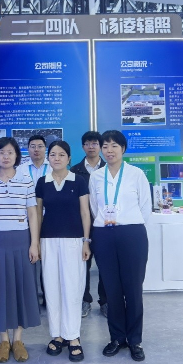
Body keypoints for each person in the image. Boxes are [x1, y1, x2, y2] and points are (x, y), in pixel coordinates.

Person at [0, 137, 41, 363]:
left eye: (10, 152)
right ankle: (4, 341)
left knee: (20, 288)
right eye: (1, 152)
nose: (6, 156)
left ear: (16, 156)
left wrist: (34, 243)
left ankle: (18, 340)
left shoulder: (26, 181)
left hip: (21, 241)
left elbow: (32, 214)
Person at [89, 130, 151, 362]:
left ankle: (135, 340)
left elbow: (145, 206)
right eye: (105, 146)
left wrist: (129, 224)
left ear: (123, 149)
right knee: (111, 289)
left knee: (133, 289)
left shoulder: (136, 174)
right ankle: (116, 338)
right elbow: (94, 207)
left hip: (132, 233)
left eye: (114, 146)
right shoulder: (96, 176)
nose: (109, 150)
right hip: (104, 234)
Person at [36, 140, 91, 362]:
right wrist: (35, 242)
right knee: (52, 288)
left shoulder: (79, 181)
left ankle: (73, 336)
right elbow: (37, 214)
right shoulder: (42, 182)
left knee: (73, 287)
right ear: (48, 158)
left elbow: (85, 212)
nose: (56, 158)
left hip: (74, 241)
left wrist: (86, 241)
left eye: (61, 154)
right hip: (48, 240)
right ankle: (57, 334)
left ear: (69, 158)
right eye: (53, 154)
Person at [70, 131, 108, 318]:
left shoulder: (109, 168)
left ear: (100, 146)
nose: (91, 147)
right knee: (82, 265)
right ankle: (84, 300)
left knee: (105, 265)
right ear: (82, 146)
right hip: (81, 225)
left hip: (104, 224)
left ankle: (105, 301)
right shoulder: (75, 171)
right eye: (87, 143)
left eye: (94, 143)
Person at [16, 135, 50, 306]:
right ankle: (29, 299)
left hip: (49, 219)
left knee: (47, 261)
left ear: (45, 148)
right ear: (27, 149)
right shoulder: (20, 170)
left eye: (40, 146)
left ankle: (47, 298)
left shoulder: (53, 167)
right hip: (25, 219)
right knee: (27, 259)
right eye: (33, 146)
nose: (36, 149)